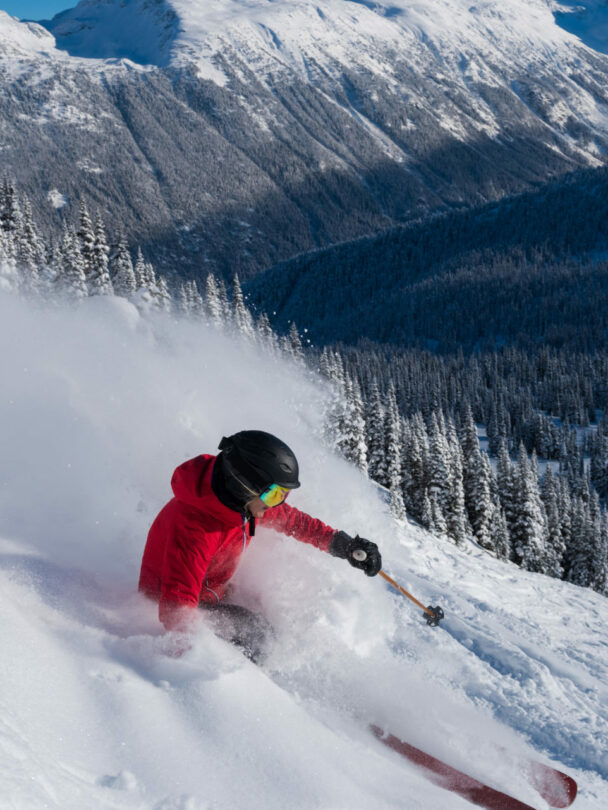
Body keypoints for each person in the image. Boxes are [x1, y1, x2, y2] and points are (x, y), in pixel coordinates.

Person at [139, 430, 382, 661]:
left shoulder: (243, 506)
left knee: (266, 615)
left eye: (283, 495)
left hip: (213, 589)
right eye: (276, 495)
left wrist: (344, 545)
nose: (278, 504)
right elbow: (176, 608)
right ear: (243, 485)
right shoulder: (196, 529)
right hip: (171, 603)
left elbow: (295, 522)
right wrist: (197, 660)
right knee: (258, 634)